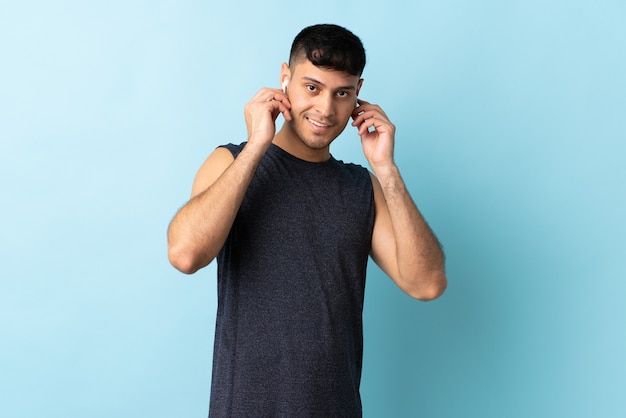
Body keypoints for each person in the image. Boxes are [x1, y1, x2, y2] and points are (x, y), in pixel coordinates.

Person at [167, 23, 447, 417]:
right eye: (312, 88)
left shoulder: (360, 188)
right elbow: (185, 254)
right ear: (285, 79)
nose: (326, 109)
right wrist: (257, 147)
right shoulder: (230, 162)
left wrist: (386, 170)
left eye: (342, 93)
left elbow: (427, 284)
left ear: (357, 97)